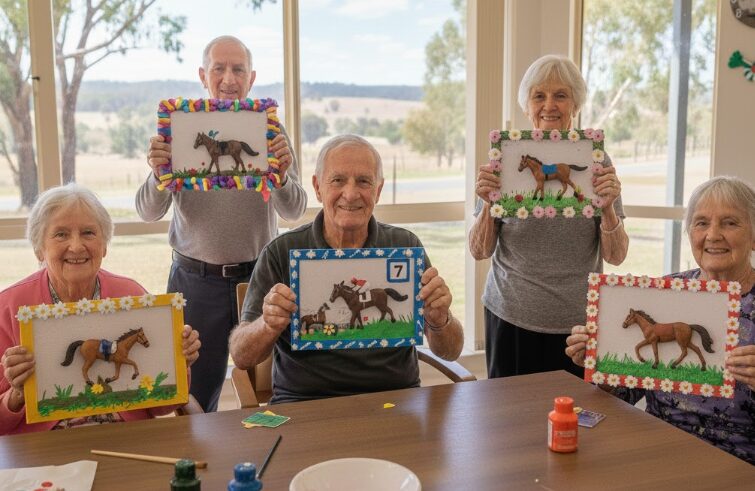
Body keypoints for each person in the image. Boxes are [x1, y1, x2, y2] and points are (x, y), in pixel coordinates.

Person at [136, 35, 307, 412]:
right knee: (194, 395)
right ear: (203, 75)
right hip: (196, 283)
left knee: (271, 390)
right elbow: (147, 211)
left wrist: (280, 175)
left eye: (238, 70)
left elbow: (295, 209)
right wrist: (158, 173)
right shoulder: (179, 130)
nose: (229, 78)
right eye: (219, 68)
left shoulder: (271, 132)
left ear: (251, 78)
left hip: (260, 279)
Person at [229, 134, 464, 404]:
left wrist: (439, 319)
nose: (351, 194)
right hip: (304, 403)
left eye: (364, 181)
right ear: (317, 187)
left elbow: (450, 351)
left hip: (396, 400)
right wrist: (267, 324)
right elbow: (241, 355)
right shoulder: (281, 252)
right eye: (338, 180)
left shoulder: (405, 246)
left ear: (378, 190)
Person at [566, 175, 755, 465]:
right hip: (656, 449)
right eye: (701, 223)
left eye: (730, 223)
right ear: (689, 233)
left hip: (738, 462)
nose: (713, 235)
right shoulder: (666, 292)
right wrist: (600, 363)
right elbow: (625, 393)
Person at [469, 54, 629, 379]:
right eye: (539, 96)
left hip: (578, 327)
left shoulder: (596, 159)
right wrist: (487, 204)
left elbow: (616, 256)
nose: (549, 105)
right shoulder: (506, 157)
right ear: (527, 106)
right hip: (510, 316)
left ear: (575, 104)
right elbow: (479, 250)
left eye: (561, 95)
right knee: (510, 410)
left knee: (575, 410)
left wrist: (609, 206)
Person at [0, 184, 201, 435]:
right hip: (45, 445)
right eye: (61, 234)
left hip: (125, 437)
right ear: (39, 248)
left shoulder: (133, 296)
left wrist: (179, 361)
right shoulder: (8, 307)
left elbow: (163, 406)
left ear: (104, 246)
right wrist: (18, 393)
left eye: (88, 233)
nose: (76, 246)